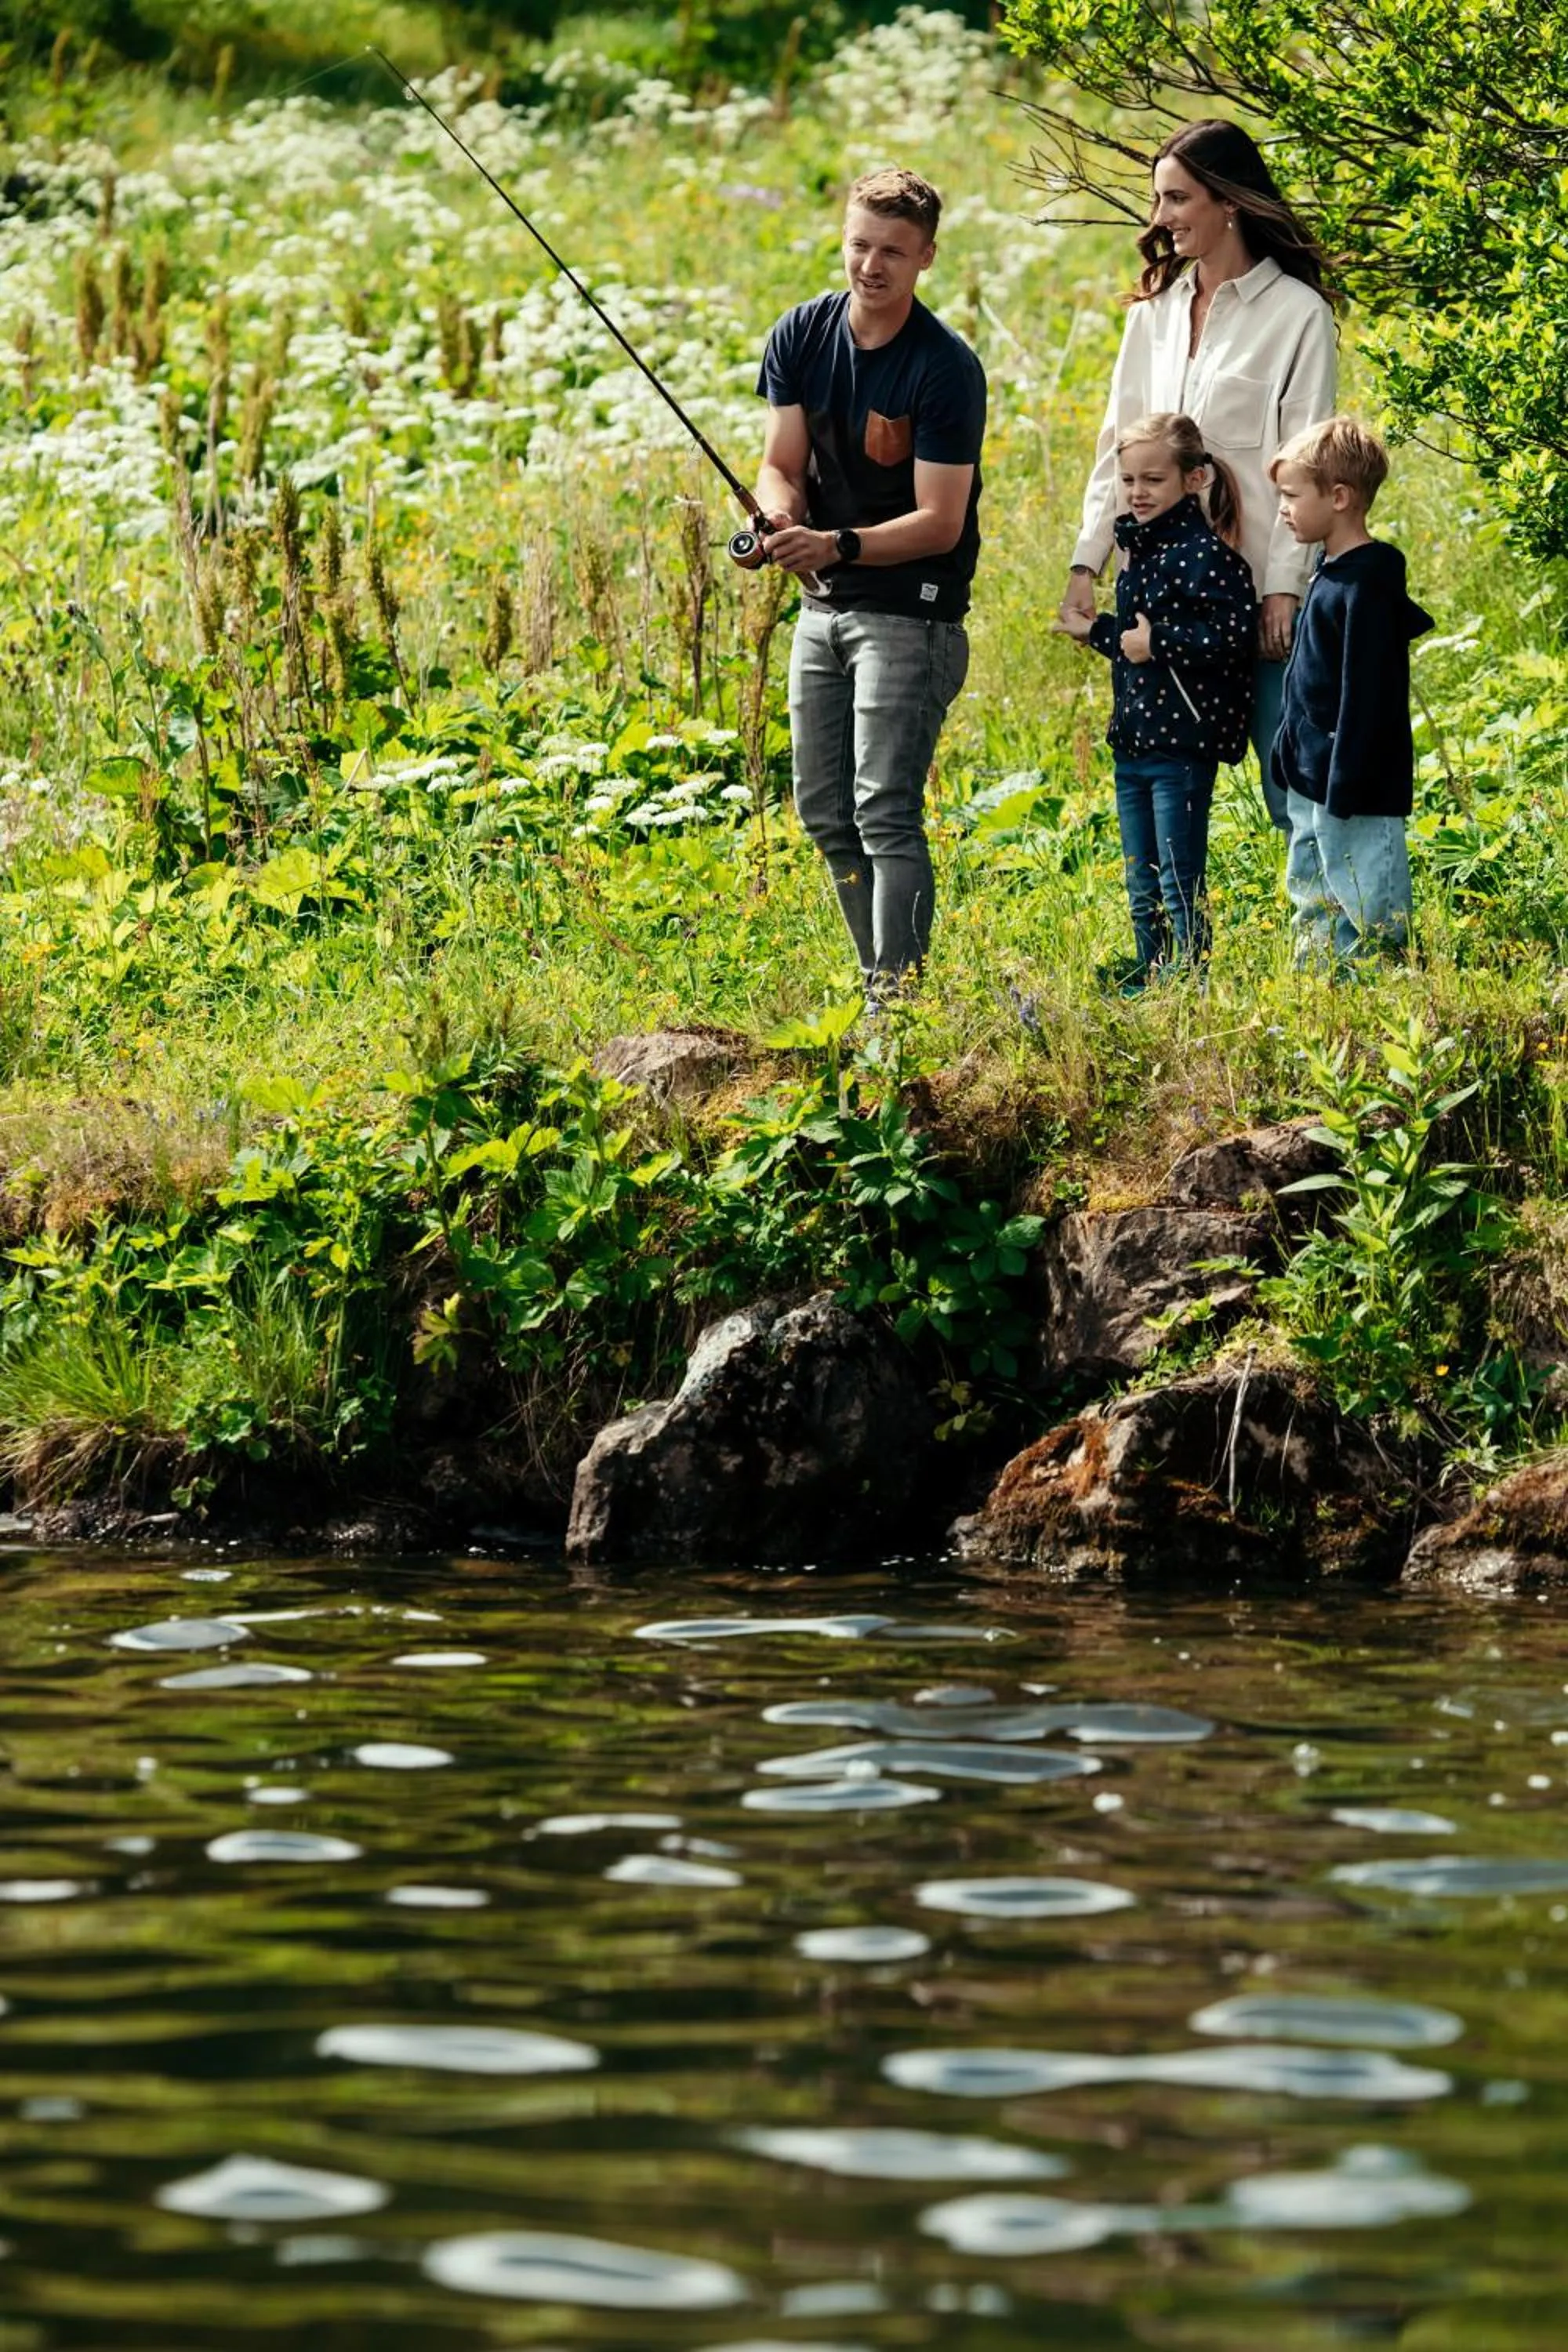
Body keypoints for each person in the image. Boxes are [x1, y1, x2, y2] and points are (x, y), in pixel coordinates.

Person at [1060, 119, 1338, 829]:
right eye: (1159, 201)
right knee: (1160, 788)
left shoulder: (1298, 316)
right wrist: (1086, 563)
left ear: (1230, 203)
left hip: (1253, 593)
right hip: (1159, 597)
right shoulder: (1152, 314)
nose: (1162, 219)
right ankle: (1175, 942)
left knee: (1292, 788)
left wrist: (1283, 589)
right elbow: (1114, 446)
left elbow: (1306, 463)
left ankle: (1337, 935)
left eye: (1178, 200)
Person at [751, 166, 986, 996]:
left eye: (891, 250)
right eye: (858, 245)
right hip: (822, 607)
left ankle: (899, 1001)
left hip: (910, 614)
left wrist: (834, 545)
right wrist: (779, 522)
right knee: (823, 813)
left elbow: (939, 522)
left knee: (884, 811)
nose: (870, 265)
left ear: (924, 256)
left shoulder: (944, 368)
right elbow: (779, 465)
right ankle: (877, 981)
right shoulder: (799, 334)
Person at [1058, 412, 1254, 989]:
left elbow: (1232, 635)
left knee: (1176, 876)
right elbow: (1136, 644)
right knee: (1140, 878)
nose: (1138, 493)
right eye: (1128, 481)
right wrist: (1094, 633)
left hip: (1182, 748)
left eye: (1153, 480)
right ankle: (1150, 972)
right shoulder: (1139, 554)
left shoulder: (1207, 556)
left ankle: (1190, 981)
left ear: (1193, 480)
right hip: (1135, 743)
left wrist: (1157, 641)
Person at [1269, 416, 1433, 962]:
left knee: (1367, 889)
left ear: (1339, 496)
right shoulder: (1329, 569)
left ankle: (1382, 980)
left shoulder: (1369, 580)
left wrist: (1347, 777)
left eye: (1292, 495)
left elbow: (1369, 695)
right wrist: (1289, 750)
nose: (1283, 508)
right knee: (1312, 884)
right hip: (1313, 773)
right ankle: (1320, 985)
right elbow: (1308, 680)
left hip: (1356, 779)